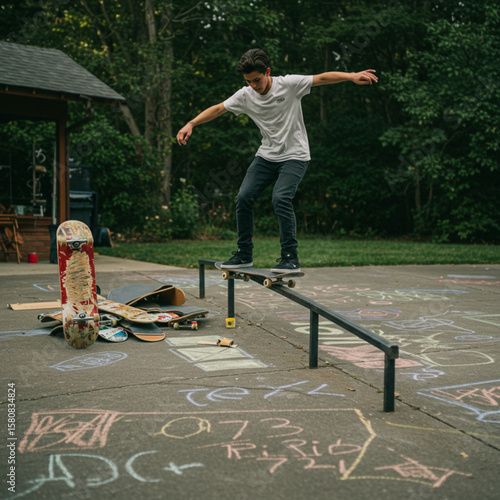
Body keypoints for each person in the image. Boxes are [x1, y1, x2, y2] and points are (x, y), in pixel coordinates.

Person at [176, 48, 377, 272]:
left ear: (267, 72)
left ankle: (290, 257)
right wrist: (191, 123)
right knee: (243, 197)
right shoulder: (245, 95)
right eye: (248, 81)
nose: (254, 85)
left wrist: (351, 76)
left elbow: (321, 78)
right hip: (266, 156)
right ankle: (244, 255)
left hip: (295, 155)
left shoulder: (289, 84)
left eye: (257, 80)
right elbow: (218, 109)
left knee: (280, 197)